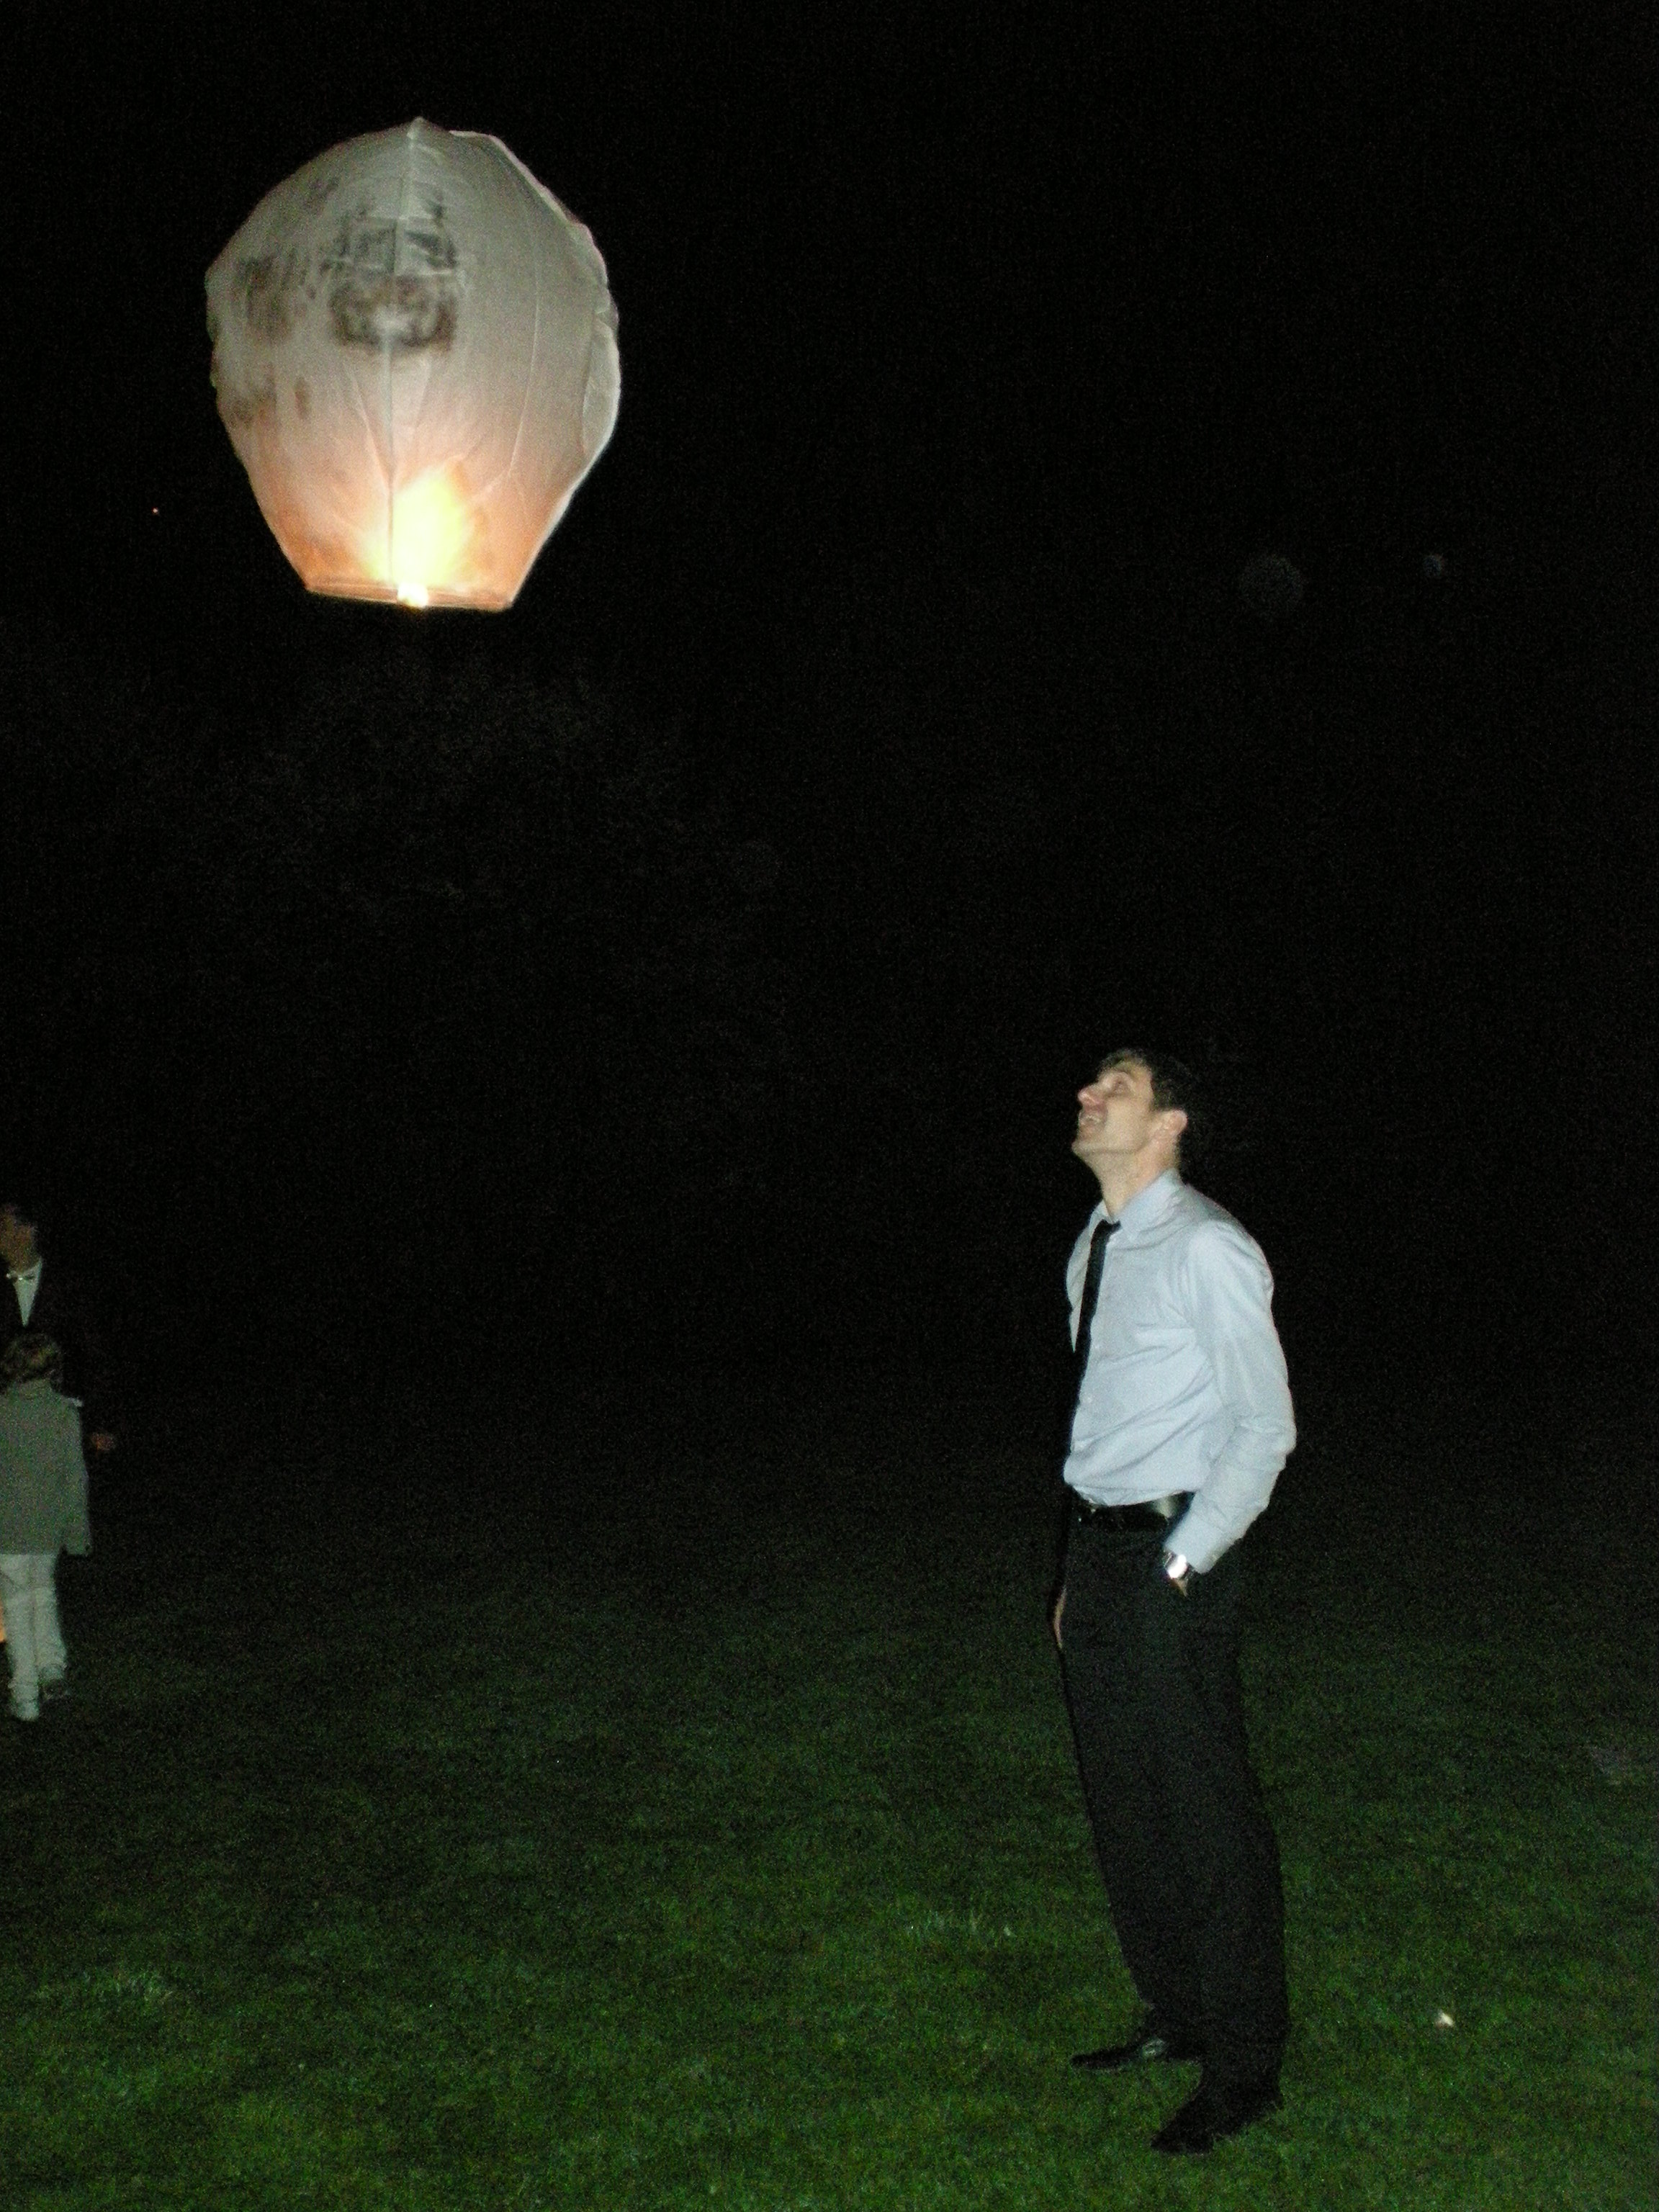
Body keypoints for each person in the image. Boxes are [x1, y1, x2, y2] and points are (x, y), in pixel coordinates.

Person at [1051, 1049, 1295, 2157]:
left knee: (1205, 1813)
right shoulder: (1095, 1245)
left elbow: (1264, 1428)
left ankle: (1245, 2066)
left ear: (1170, 1124)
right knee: (1126, 1803)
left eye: (1117, 1088)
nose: (1089, 1097)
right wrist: (1077, 1568)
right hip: (1103, 1552)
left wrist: (1184, 1561)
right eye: (1093, 1084)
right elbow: (1102, 1423)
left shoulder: (1208, 1248)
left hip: (1175, 1555)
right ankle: (1178, 2014)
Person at [0, 1331, 91, 1722]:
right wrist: (77, 1532)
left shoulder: (3, 1411)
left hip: (8, 1530)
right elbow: (75, 1478)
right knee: (43, 1594)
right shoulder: (64, 1413)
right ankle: (52, 1670)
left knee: (17, 1607)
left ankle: (25, 1694)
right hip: (46, 1528)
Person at [0, 1193, 117, 1455]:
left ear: (27, 1231)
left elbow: (94, 1354)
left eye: (3, 1226)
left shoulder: (68, 1286)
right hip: (9, 1425)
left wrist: (100, 1421)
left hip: (62, 1421)